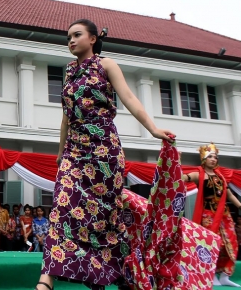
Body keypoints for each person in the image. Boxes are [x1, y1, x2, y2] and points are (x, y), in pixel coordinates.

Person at [36, 19, 175, 290]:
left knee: (105, 221)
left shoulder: (106, 64)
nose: (71, 41)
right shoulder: (68, 72)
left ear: (93, 38)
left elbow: (130, 98)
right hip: (74, 153)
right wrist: (60, 151)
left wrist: (154, 129)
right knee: (62, 209)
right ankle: (46, 280)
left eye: (77, 35)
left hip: (104, 152)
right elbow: (66, 116)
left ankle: (120, 277)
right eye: (68, 38)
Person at [186, 143, 241, 287]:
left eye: (215, 157)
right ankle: (211, 274)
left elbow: (228, 194)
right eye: (210, 156)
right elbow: (183, 178)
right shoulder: (199, 174)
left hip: (224, 215)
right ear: (204, 159)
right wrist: (174, 165)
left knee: (232, 243)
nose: (213, 159)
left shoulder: (220, 176)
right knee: (213, 244)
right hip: (208, 215)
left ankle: (224, 275)